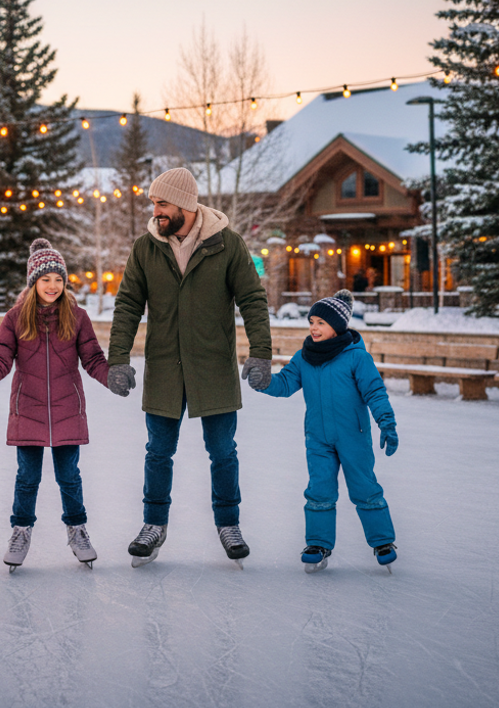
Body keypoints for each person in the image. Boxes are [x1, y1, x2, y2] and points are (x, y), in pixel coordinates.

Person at [106, 167, 272, 567]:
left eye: (162, 203)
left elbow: (252, 298)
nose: (156, 211)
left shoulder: (226, 244)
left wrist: (261, 351)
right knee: (158, 452)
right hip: (165, 365)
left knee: (222, 451)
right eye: (154, 204)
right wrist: (117, 358)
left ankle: (228, 523)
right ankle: (154, 524)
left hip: (212, 365)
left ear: (185, 204)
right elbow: (128, 304)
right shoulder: (146, 247)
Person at [0, 238, 110, 572]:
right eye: (46, 279)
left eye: (59, 279)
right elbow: (1, 358)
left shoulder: (76, 317)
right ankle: (20, 532)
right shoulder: (16, 318)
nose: (52, 286)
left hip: (67, 410)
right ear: (34, 282)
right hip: (28, 410)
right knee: (27, 477)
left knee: (69, 476)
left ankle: (77, 531)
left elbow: (92, 357)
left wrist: (112, 377)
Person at [253, 289, 399, 573]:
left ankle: (382, 542)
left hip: (353, 435)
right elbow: (284, 384)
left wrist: (387, 423)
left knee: (365, 488)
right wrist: (264, 380)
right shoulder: (304, 357)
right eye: (312, 322)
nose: (313, 328)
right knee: (319, 490)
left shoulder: (356, 357)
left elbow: (375, 393)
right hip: (318, 438)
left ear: (338, 326)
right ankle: (318, 543)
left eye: (321, 322)